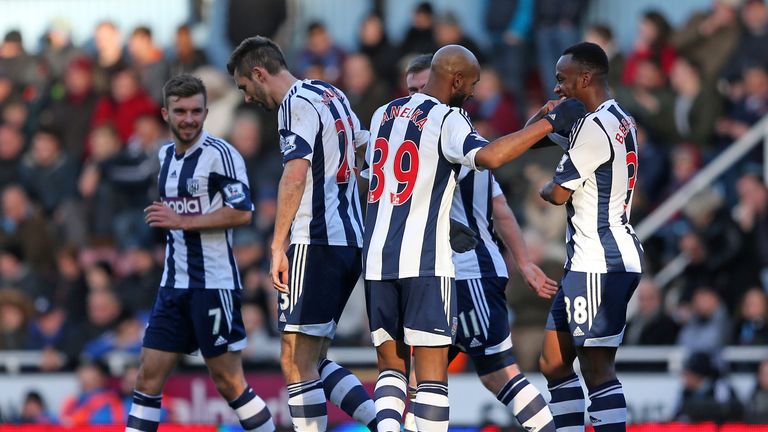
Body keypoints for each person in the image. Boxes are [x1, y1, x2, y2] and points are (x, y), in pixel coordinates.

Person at [361, 44, 584, 431]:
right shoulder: (449, 121)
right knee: (458, 375)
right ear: (455, 80)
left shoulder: (383, 115)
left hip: (379, 259)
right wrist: (547, 124)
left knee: (395, 374)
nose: (475, 93)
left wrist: (535, 122)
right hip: (441, 264)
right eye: (473, 84)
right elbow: (492, 158)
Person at [401, 54, 558, 432]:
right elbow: (500, 208)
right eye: (409, 91)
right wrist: (523, 264)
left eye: (421, 88)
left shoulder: (440, 135)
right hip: (464, 272)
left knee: (477, 373)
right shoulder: (464, 133)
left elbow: (499, 204)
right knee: (443, 376)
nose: (415, 98)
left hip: (464, 274)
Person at [227, 36, 376, 432]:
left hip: (316, 240)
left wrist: (277, 246)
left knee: (295, 361)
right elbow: (364, 145)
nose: (246, 98)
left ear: (259, 74)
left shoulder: (294, 104)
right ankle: (384, 423)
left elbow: (294, 175)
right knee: (315, 358)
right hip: (349, 240)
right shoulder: (331, 93)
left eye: (244, 87)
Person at [124, 74, 274, 432]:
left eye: (195, 111)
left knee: (228, 382)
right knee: (147, 377)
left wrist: (183, 220)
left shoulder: (222, 155)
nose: (188, 118)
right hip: (173, 284)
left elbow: (242, 212)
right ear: (165, 113)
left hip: (214, 284)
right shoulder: (163, 156)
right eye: (180, 111)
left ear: (206, 112)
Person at [532, 42, 644, 432]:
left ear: (585, 77)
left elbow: (557, 193)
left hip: (601, 261)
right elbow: (533, 136)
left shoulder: (595, 128)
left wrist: (544, 186)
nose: (557, 88)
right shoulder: (615, 118)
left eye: (562, 80)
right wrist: (548, 118)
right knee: (553, 362)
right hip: (589, 260)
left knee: (597, 369)